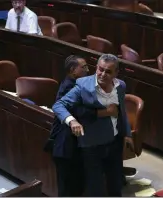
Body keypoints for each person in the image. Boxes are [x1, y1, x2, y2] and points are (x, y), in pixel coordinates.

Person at [52, 54, 134, 197]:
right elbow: (59, 105)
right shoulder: (83, 85)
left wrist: (127, 134)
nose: (102, 74)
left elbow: (121, 112)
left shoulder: (120, 86)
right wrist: (72, 121)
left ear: (116, 73)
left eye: (108, 71)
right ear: (96, 67)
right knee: (96, 188)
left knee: (115, 185)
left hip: (114, 142)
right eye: (100, 69)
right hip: (92, 145)